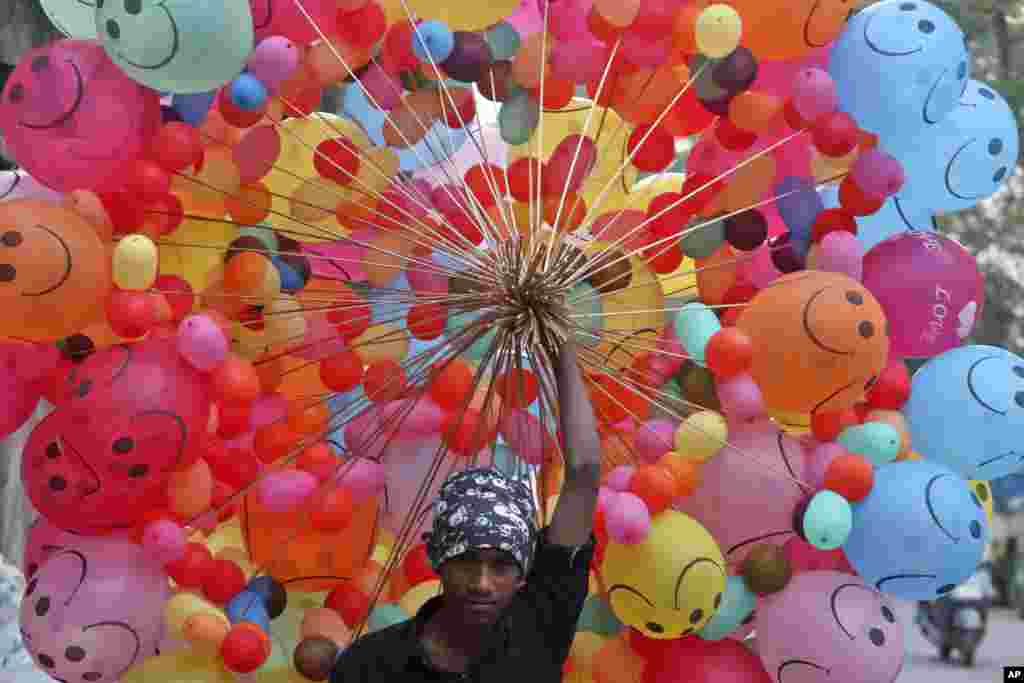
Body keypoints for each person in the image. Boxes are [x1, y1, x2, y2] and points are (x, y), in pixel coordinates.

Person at [330, 342, 602, 682]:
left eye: (501, 565)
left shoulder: (539, 625)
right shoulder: (370, 664)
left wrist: (561, 344)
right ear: (437, 559)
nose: (482, 584)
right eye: (466, 561)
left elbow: (585, 472)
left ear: (524, 572)